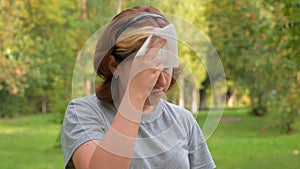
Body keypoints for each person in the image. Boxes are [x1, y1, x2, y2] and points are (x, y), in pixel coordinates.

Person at [61, 5, 216, 169]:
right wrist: (135, 95)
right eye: (149, 70)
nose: (162, 81)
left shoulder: (183, 120)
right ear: (114, 65)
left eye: (166, 67)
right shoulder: (84, 112)